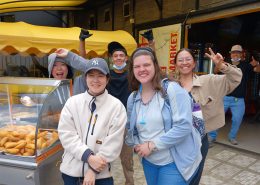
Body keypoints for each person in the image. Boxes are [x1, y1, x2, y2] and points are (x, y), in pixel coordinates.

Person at [55, 42, 135, 185]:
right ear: (85, 78)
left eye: (100, 75)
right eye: (91, 75)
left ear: (107, 79)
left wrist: (92, 169)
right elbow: (66, 134)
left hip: (101, 175)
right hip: (71, 172)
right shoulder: (72, 103)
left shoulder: (117, 107)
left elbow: (113, 144)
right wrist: (88, 156)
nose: (95, 80)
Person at [125, 47, 202, 185]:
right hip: (149, 161)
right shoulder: (133, 98)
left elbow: (183, 126)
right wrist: (137, 144)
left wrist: (152, 145)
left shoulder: (172, 89)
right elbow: (132, 129)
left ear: (155, 66)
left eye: (146, 65)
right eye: (137, 66)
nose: (142, 69)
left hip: (174, 161)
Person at [173, 48, 242, 185]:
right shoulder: (170, 85)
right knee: (175, 176)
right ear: (175, 64)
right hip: (175, 141)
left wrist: (221, 66)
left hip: (199, 140)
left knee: (194, 177)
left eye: (188, 59)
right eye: (180, 60)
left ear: (194, 63)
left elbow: (235, 79)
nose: (184, 63)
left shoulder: (208, 81)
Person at [209, 44, 260, 145]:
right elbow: (215, 72)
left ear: (241, 54)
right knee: (217, 117)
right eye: (233, 52)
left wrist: (258, 62)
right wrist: (218, 64)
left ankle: (232, 137)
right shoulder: (225, 62)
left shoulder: (246, 65)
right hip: (224, 97)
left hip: (239, 100)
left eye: (238, 52)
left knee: (237, 119)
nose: (235, 54)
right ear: (231, 54)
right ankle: (212, 136)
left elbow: (258, 70)